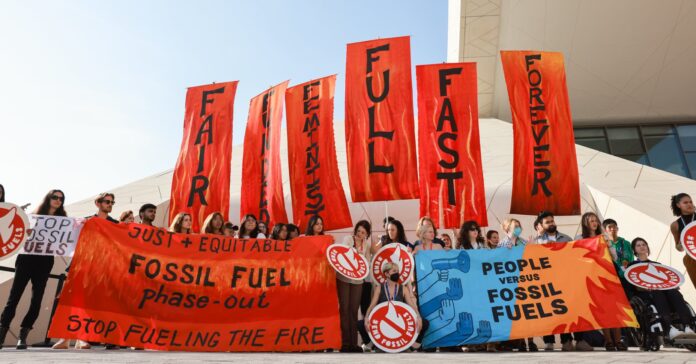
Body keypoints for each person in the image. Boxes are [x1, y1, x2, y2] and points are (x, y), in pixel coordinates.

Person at [0, 190, 64, 350]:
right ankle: (1, 334)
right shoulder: (32, 216)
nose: (58, 200)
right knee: (13, 298)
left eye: (61, 198)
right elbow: (19, 233)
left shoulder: (63, 221)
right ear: (48, 198)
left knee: (37, 301)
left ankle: (23, 336)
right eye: (55, 197)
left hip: (45, 261)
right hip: (26, 258)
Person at [533, 211, 592, 351]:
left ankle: (579, 340)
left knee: (573, 309)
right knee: (553, 311)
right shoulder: (536, 241)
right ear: (541, 225)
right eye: (547, 222)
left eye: (552, 221)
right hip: (547, 281)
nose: (551, 224)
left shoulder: (566, 238)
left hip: (567, 279)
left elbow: (576, 256)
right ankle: (557, 341)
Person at [630, 237, 696, 339]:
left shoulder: (657, 265)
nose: (642, 247)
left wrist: (673, 285)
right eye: (638, 245)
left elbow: (666, 280)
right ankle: (669, 328)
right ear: (634, 250)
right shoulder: (632, 265)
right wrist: (646, 288)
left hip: (663, 290)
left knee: (674, 292)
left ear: (647, 247)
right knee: (658, 293)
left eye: (644, 244)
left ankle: (687, 326)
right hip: (647, 292)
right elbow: (635, 285)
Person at [360, 262, 429, 351]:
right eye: (394, 271)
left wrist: (418, 317)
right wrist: (366, 318)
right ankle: (372, 345)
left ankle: (413, 346)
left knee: (425, 322)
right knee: (360, 324)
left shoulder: (403, 288)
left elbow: (411, 305)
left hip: (400, 321)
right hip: (384, 322)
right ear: (387, 274)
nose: (397, 273)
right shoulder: (379, 288)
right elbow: (372, 305)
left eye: (398, 271)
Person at [337, 220, 373, 352]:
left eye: (363, 232)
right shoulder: (348, 239)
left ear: (367, 234)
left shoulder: (366, 245)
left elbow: (367, 262)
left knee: (354, 310)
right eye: (358, 231)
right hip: (344, 278)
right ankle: (344, 343)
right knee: (344, 309)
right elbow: (342, 255)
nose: (359, 234)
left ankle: (353, 343)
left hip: (358, 280)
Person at [669, 193, 696, 289]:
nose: (689, 204)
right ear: (678, 205)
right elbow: (678, 247)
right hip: (691, 259)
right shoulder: (675, 225)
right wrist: (681, 245)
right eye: (685, 202)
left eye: (691, 202)